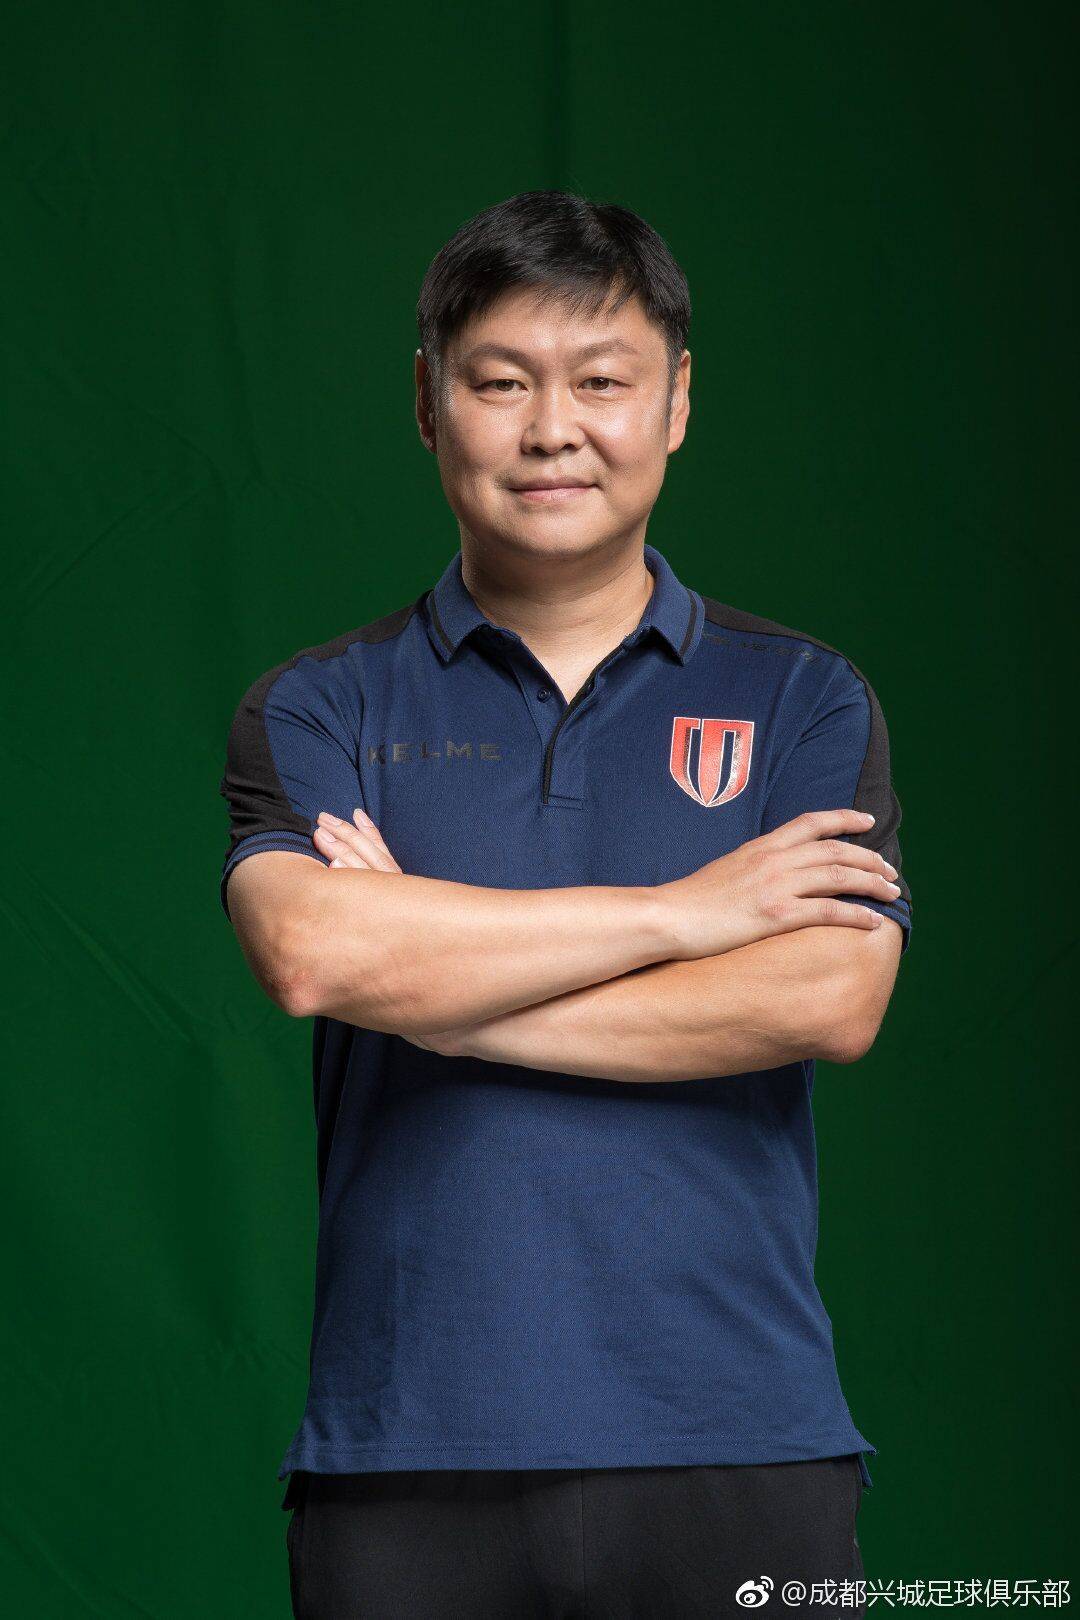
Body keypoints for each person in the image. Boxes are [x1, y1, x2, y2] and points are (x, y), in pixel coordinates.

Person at [219, 189, 912, 1619]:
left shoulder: (804, 699)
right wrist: (690, 914)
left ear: (677, 405)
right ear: (428, 402)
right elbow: (312, 951)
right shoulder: (320, 706)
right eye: (501, 383)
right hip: (406, 1453)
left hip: (744, 1442)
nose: (553, 430)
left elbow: (829, 996)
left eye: (602, 383)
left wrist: (439, 996)